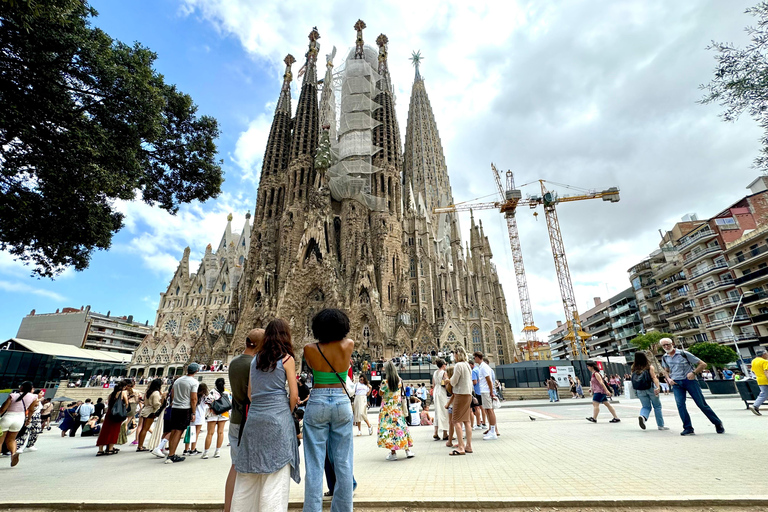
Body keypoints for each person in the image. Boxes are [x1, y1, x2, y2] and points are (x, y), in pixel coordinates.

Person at [232, 318, 300, 512]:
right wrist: (283, 410)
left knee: (248, 474)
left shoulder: (255, 360)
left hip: (254, 419)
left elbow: (250, 395)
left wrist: (262, 407)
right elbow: (294, 395)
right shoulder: (287, 359)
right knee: (275, 475)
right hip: (277, 418)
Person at [302, 309, 354, 512]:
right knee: (343, 461)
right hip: (341, 402)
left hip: (318, 400)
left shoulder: (309, 348)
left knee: (314, 463)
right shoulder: (348, 345)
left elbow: (310, 368)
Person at [225, 328, 263, 512]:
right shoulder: (255, 364)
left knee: (235, 465)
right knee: (251, 469)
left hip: (235, 419)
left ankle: (228, 507)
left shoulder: (233, 363)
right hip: (250, 419)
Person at [659, 338, 724, 436]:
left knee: (701, 404)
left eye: (667, 344)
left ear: (672, 343)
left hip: (690, 381)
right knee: (680, 405)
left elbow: (703, 364)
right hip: (676, 384)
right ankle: (688, 428)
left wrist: (694, 373)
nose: (666, 347)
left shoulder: (683, 354)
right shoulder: (665, 357)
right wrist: (668, 379)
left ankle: (717, 423)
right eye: (664, 346)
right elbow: (666, 370)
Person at [377, 361, 415, 461]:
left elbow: (380, 394)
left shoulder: (385, 382)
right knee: (401, 428)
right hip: (397, 409)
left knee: (390, 431)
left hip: (387, 410)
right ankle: (407, 450)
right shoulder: (399, 380)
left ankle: (393, 453)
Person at [166, 363, 201, 463]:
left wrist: (174, 402)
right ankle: (171, 455)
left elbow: (172, 393)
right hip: (185, 408)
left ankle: (170, 453)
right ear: (196, 371)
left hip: (175, 407)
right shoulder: (194, 382)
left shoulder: (178, 380)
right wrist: (193, 413)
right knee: (179, 431)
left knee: (173, 430)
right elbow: (194, 399)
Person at [0, 381, 40, 467]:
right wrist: (28, 419)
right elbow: (31, 410)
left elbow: (3, 409)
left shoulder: (13, 395)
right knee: (11, 440)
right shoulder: (33, 397)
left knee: (0, 441)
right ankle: (13, 453)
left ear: (21, 387)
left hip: (8, 417)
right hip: (19, 419)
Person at [631, 352, 668, 431]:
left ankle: (643, 417)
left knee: (646, 406)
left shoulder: (633, 368)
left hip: (640, 390)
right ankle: (660, 425)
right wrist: (658, 387)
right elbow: (654, 377)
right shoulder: (649, 367)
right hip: (650, 388)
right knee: (657, 406)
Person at [448, 347, 473, 456]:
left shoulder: (458, 365)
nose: (454, 357)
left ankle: (461, 447)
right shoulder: (467, 365)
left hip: (460, 395)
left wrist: (448, 380)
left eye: (455, 354)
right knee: (467, 421)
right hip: (468, 394)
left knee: (456, 420)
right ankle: (468, 445)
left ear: (458, 355)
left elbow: (454, 382)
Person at [96, 380, 130, 456]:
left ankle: (100, 450)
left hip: (109, 413)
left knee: (105, 431)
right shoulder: (122, 393)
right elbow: (126, 403)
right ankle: (110, 449)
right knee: (114, 431)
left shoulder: (111, 395)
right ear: (123, 387)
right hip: (117, 414)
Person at [202, 378, 230, 459]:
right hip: (224, 413)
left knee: (210, 433)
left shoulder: (212, 391)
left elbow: (207, 402)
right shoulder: (227, 392)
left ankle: (206, 452)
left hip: (213, 413)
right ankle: (217, 451)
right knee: (220, 432)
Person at [474, 352, 498, 440]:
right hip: (484, 391)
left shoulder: (484, 367)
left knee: (489, 410)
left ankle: (493, 431)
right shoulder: (481, 367)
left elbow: (489, 381)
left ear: (477, 357)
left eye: (474, 358)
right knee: (488, 411)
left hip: (486, 391)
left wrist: (491, 392)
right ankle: (492, 430)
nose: (474, 359)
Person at [136, 378, 164, 451]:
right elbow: (156, 404)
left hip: (145, 410)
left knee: (143, 428)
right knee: (145, 429)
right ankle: (140, 446)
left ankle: (140, 445)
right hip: (151, 411)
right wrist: (161, 404)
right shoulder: (156, 393)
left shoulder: (149, 392)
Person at [15, 389, 44, 453]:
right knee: (25, 431)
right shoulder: (33, 398)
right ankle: (18, 445)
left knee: (36, 431)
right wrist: (38, 400)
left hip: (37, 416)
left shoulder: (39, 400)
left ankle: (30, 444)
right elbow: (33, 406)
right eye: (41, 393)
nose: (42, 394)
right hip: (31, 415)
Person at [184, 382, 209, 456]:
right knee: (196, 433)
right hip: (200, 415)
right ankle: (193, 449)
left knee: (189, 432)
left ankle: (186, 449)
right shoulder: (204, 397)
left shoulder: (194, 395)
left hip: (192, 414)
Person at [431, 359, 449, 441]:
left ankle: (436, 432)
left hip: (436, 391)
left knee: (437, 411)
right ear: (443, 365)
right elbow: (446, 383)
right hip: (441, 392)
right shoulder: (444, 373)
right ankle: (445, 433)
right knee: (444, 411)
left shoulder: (435, 372)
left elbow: (433, 384)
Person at [749, 347, 768, 415]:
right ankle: (755, 406)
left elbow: (753, 371)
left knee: (764, 393)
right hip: (766, 379)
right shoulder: (765, 361)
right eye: (766, 353)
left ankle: (755, 406)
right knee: (764, 394)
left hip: (759, 379)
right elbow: (766, 371)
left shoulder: (754, 361)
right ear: (764, 354)